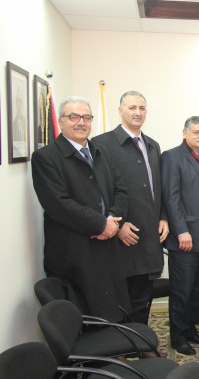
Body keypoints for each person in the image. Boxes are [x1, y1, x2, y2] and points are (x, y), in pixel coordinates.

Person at [31, 96, 129, 322]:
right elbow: (58, 204)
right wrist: (100, 224)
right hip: (74, 251)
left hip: (107, 245)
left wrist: (112, 219)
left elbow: (121, 191)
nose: (81, 122)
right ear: (61, 121)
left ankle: (115, 341)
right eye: (73, 117)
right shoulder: (45, 157)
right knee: (85, 317)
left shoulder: (101, 152)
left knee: (113, 310)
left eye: (86, 117)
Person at [93, 91, 169, 325]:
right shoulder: (101, 144)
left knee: (142, 299)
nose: (137, 112)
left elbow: (159, 187)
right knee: (122, 302)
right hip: (121, 238)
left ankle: (141, 340)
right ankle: (126, 342)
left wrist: (164, 217)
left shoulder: (152, 145)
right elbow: (97, 191)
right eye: (132, 107)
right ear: (120, 111)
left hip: (149, 237)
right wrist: (118, 225)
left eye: (142, 108)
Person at [161, 116, 199, 355]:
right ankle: (178, 337)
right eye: (196, 132)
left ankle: (191, 329)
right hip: (186, 238)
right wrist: (181, 231)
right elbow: (171, 197)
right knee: (182, 291)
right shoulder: (172, 157)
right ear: (185, 133)